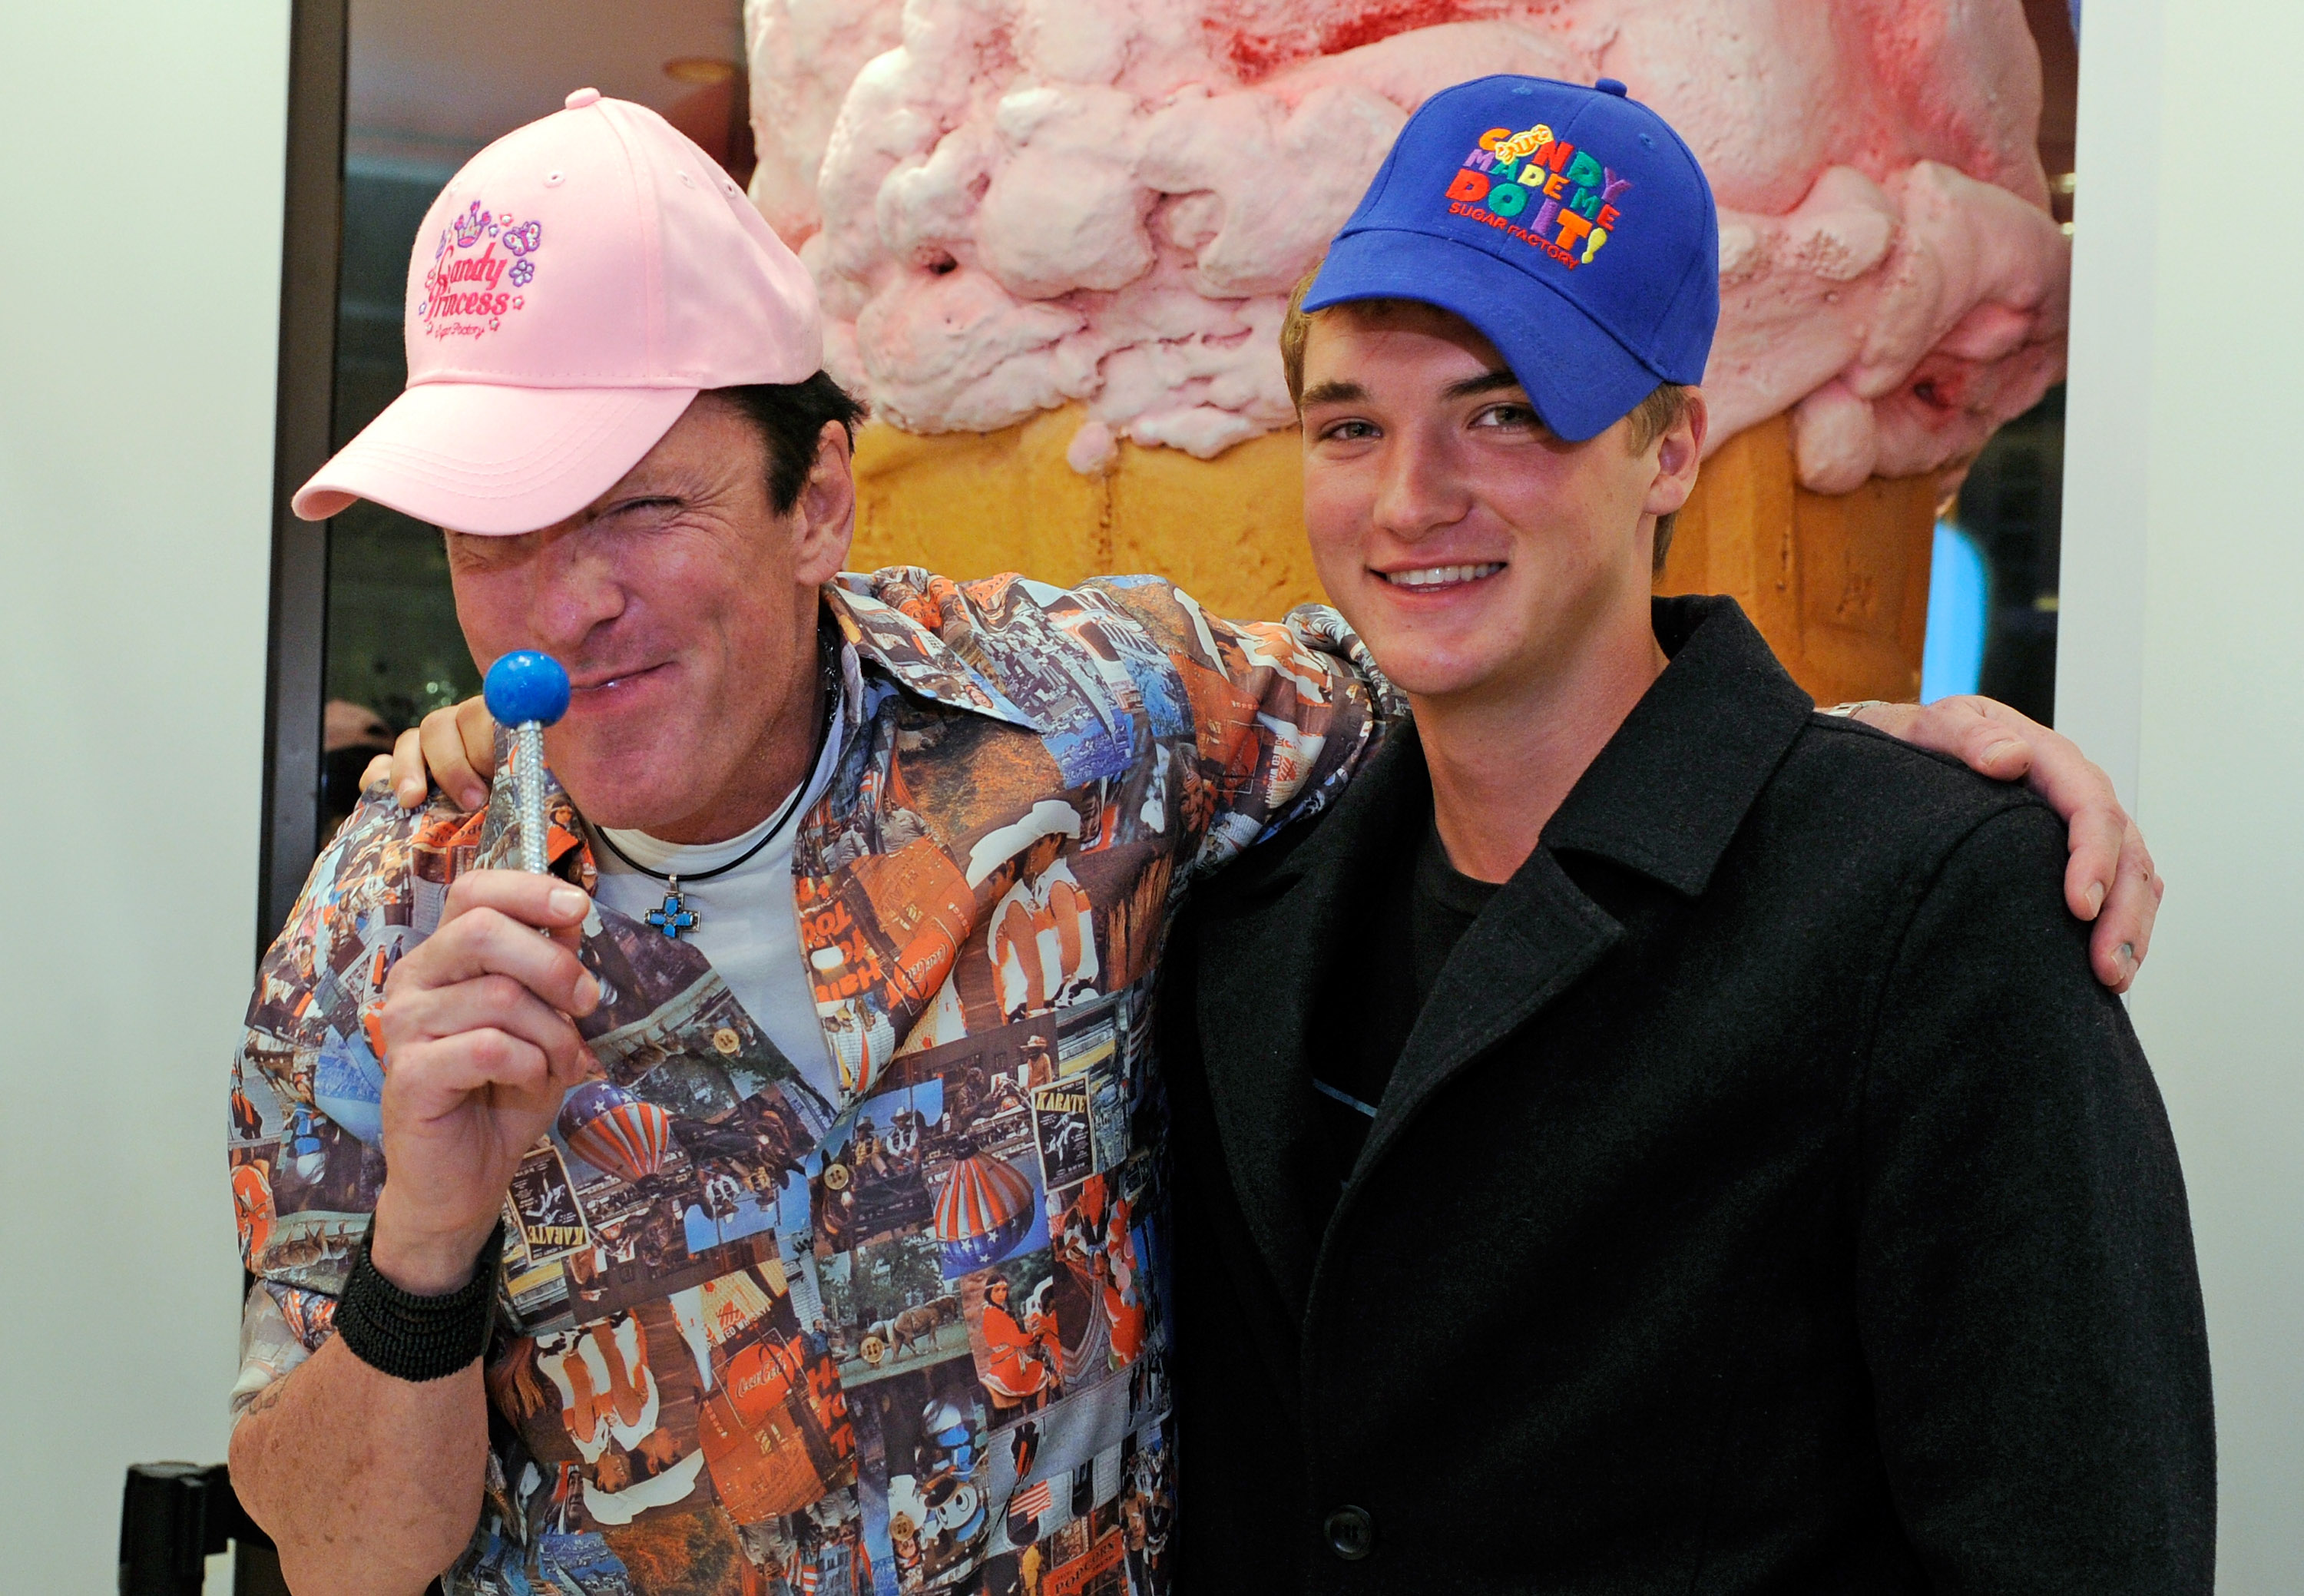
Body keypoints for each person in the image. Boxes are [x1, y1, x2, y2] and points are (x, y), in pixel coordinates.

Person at [231, 89, 2157, 1596]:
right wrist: (426, 1238)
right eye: (494, 529)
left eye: (635, 507)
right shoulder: (385, 917)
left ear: (819, 498)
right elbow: (336, 1549)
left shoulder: (1096, 722)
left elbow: (1482, 670)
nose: (560, 607)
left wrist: (1855, 773)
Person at [1160, 75, 2212, 1591]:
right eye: (1348, 424)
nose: (1409, 499)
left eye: (1505, 415)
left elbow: (2082, 1543)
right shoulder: (1243, 907)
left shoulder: (1936, 911)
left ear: (1670, 448)